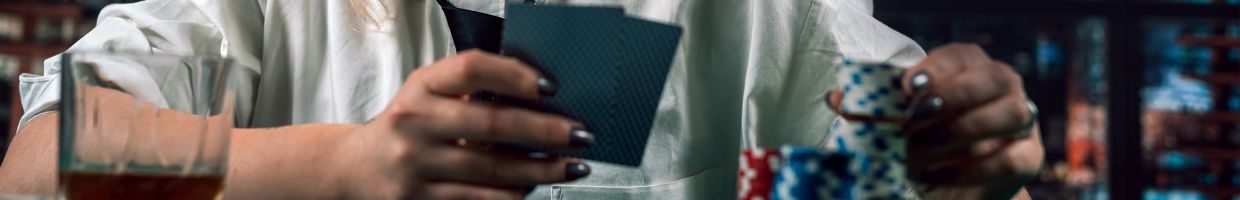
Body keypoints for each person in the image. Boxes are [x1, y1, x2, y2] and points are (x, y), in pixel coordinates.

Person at [0, 0, 1044, 199]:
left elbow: (923, 153)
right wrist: (343, 166)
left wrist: (975, 156)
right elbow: (46, 166)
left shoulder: (774, 14)